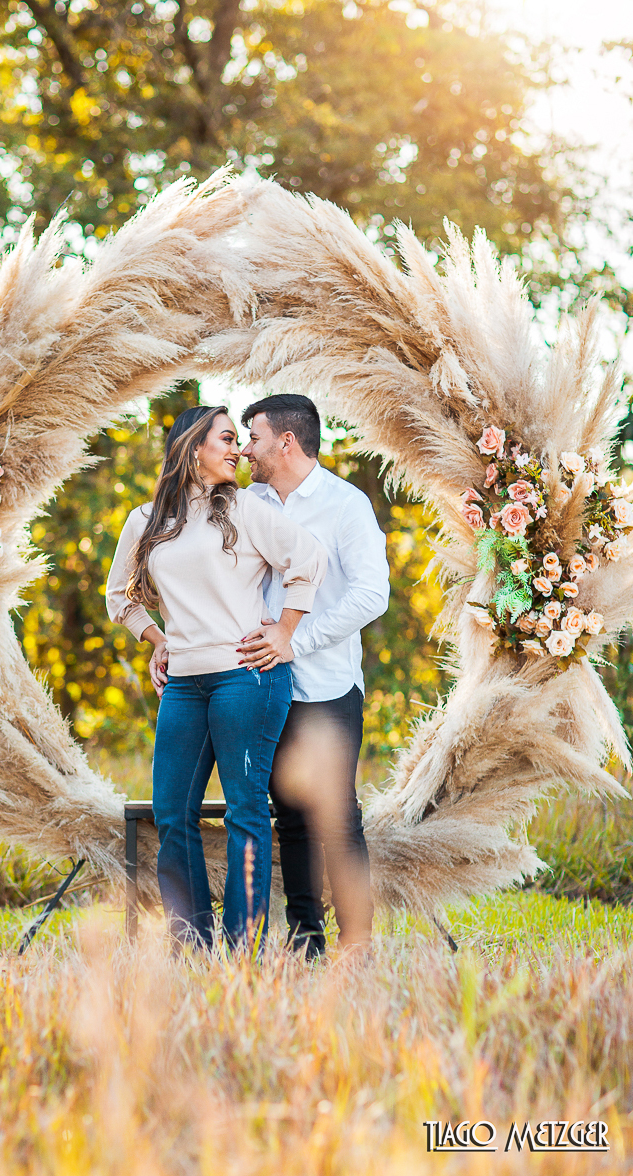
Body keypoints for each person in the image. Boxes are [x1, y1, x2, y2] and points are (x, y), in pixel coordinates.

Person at [106, 405, 326, 950]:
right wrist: (158, 640)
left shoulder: (245, 508)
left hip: (246, 679)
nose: (238, 450)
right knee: (171, 812)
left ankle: (242, 948)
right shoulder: (146, 519)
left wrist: (285, 631)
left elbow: (309, 558)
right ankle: (192, 942)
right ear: (193, 447)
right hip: (183, 683)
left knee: (244, 811)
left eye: (238, 440)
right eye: (227, 439)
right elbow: (118, 597)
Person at [236, 393, 390, 957]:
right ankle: (305, 940)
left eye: (253, 437)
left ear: (286, 442)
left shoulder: (345, 505)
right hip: (262, 683)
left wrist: (295, 641)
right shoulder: (246, 502)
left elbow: (371, 595)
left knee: (336, 814)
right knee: (290, 816)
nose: (245, 449)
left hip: (326, 684)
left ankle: (358, 941)